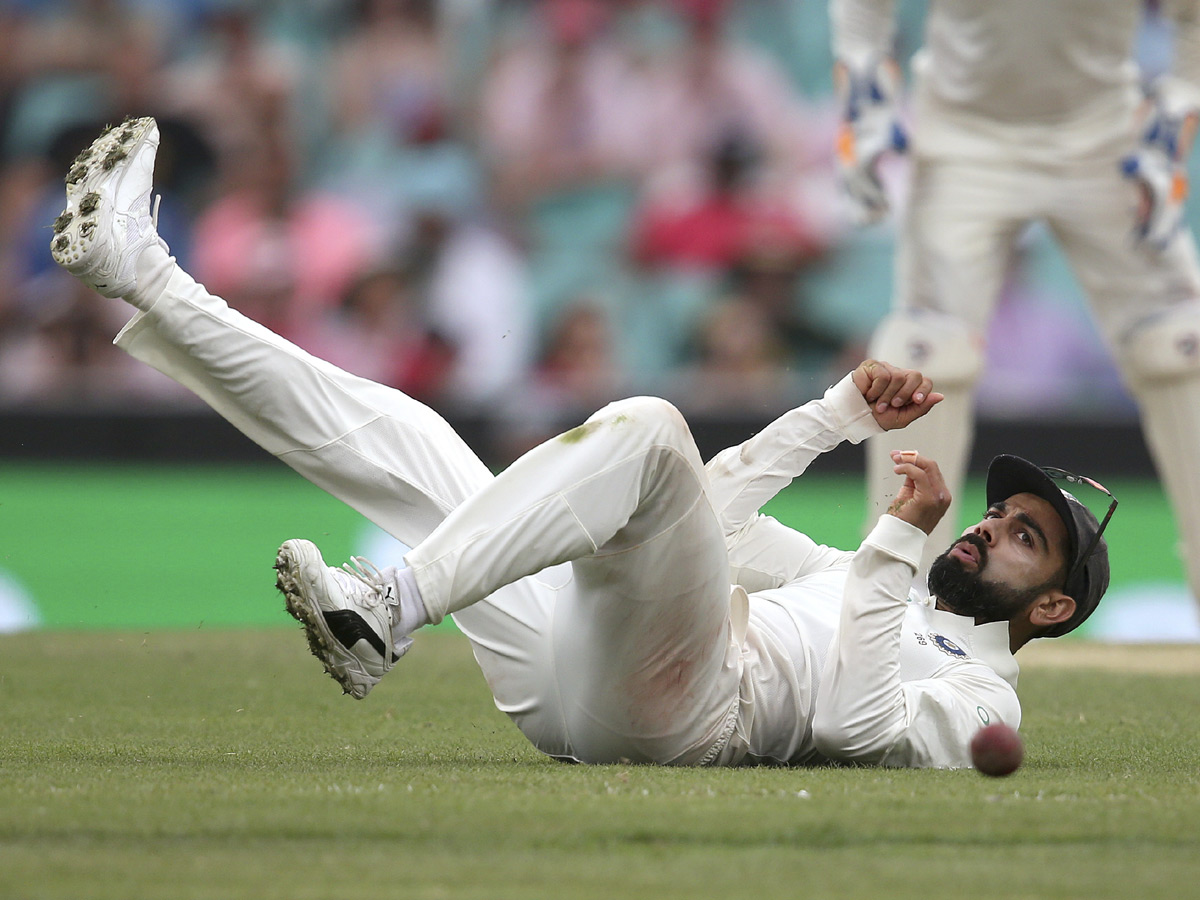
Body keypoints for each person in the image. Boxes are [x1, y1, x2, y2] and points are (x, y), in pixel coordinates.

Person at [50, 118, 1114, 770]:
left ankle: (390, 608)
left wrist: (889, 545)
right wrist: (836, 413)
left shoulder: (984, 700)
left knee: (648, 426)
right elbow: (705, 507)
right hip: (599, 675)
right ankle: (144, 272)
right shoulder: (849, 576)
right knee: (420, 440)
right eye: (999, 513)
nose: (987, 529)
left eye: (1023, 540)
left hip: (695, 714)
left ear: (1053, 607)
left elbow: (847, 725)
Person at [831, 0, 1200, 590]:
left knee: (1181, 348)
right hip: (964, 135)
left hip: (1101, 136)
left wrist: (1175, 112)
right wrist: (865, 96)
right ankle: (895, 609)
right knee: (928, 350)